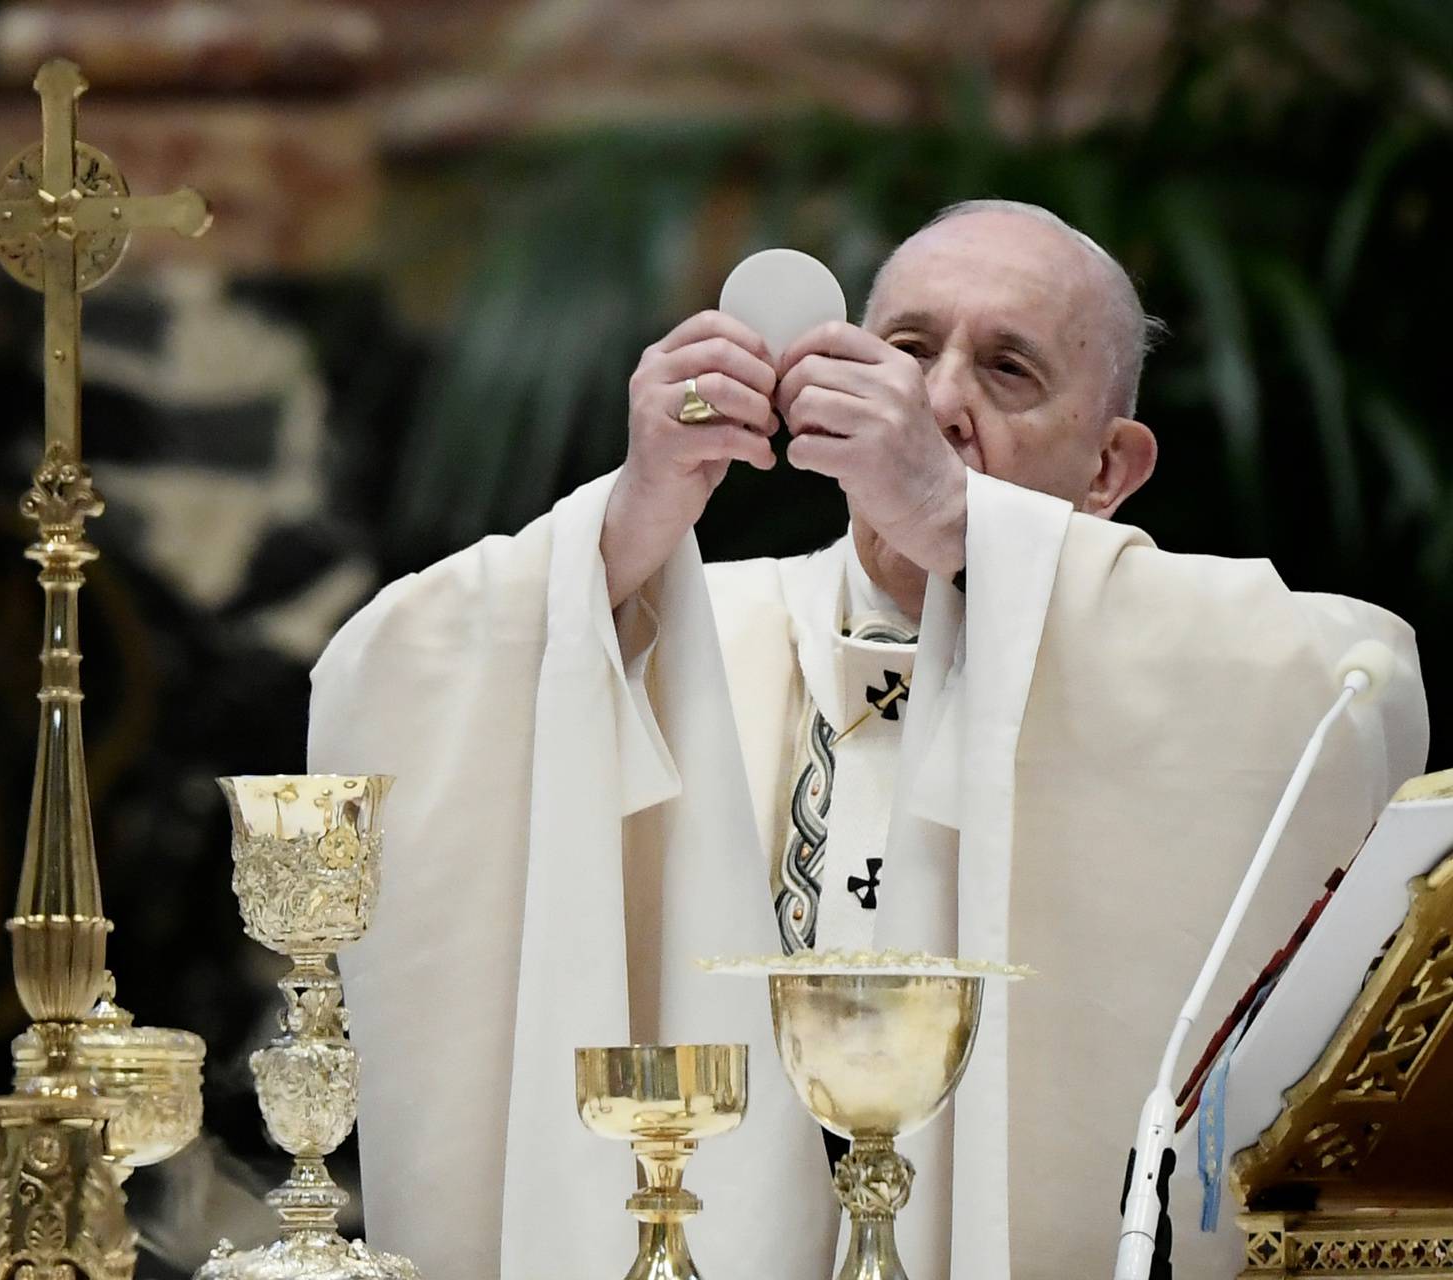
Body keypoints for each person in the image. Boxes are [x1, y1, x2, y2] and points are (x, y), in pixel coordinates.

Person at [306, 200, 1429, 1279]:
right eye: (903, 348)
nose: (932, 400)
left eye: (1008, 370)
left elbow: (1354, 690)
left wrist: (959, 521)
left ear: (1108, 468)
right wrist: (626, 519)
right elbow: (387, 677)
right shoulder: (688, 631)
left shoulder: (1191, 646)